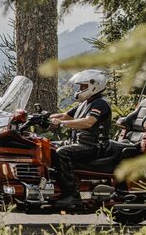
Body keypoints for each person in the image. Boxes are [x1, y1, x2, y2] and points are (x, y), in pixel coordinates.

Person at [48, 69, 112, 207]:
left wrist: (63, 123)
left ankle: (72, 195)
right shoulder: (86, 103)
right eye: (80, 87)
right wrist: (44, 117)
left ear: (95, 85)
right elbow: (65, 115)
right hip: (80, 142)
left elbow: (88, 122)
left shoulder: (100, 103)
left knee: (62, 153)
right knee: (48, 146)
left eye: (83, 86)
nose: (80, 90)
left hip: (93, 146)